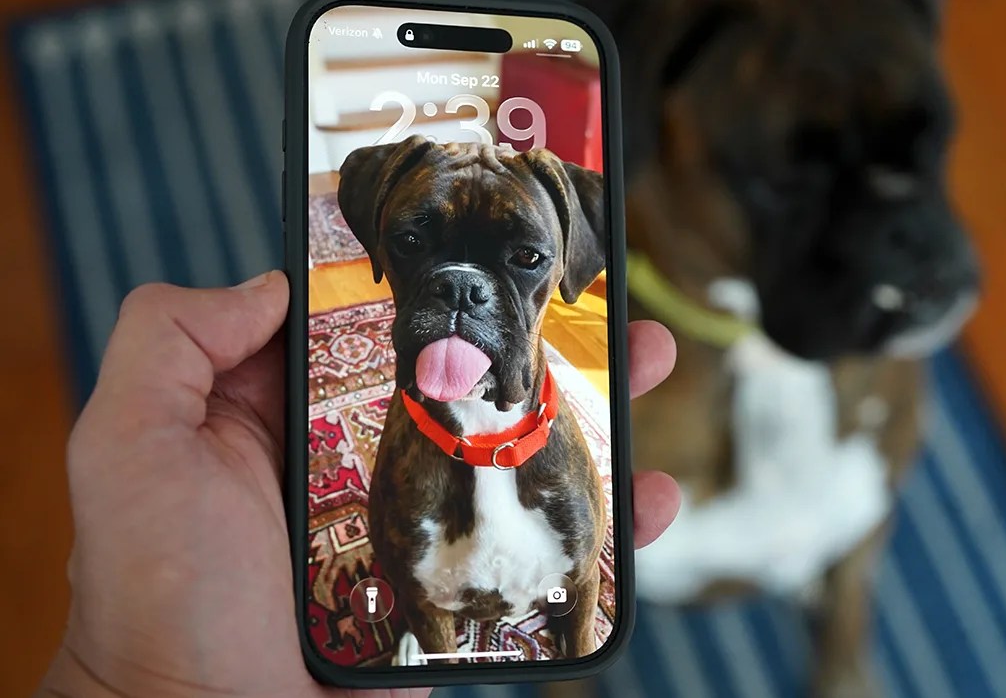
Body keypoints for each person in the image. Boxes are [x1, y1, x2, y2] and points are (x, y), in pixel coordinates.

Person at [37, 271, 682, 698]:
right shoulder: (401, 488)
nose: (466, 292)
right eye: (411, 245)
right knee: (416, 591)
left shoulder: (570, 480)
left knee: (589, 572)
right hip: (421, 478)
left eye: (526, 257)